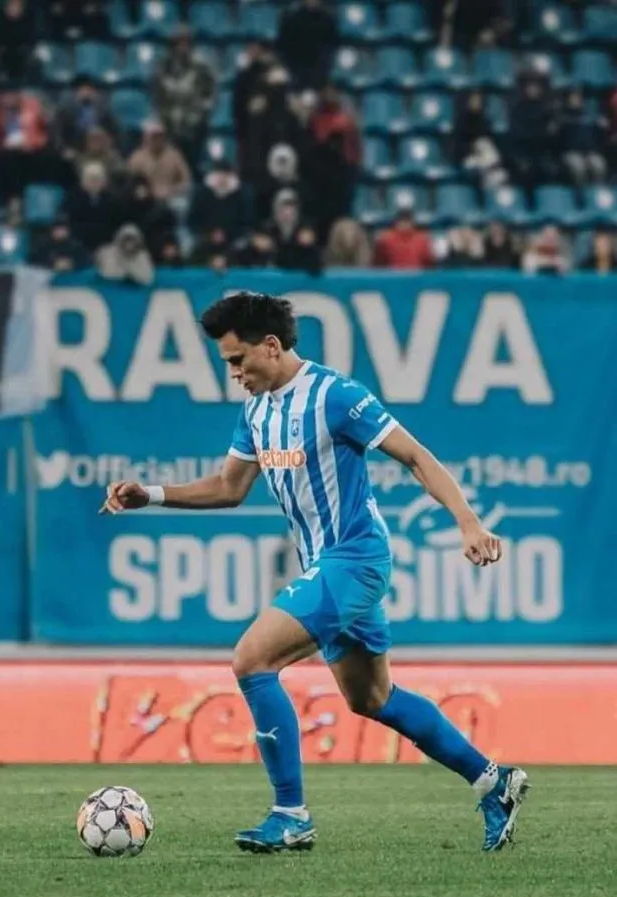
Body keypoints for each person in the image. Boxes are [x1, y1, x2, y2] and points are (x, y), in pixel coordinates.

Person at [99, 292, 529, 854]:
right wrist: (151, 495)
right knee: (372, 698)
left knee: (251, 660)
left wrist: (468, 524)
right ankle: (494, 782)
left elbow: (416, 456)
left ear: (270, 346)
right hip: (327, 565)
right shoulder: (256, 411)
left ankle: (290, 814)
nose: (233, 373)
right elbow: (229, 488)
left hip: (355, 559)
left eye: (237, 360)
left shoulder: (336, 396)